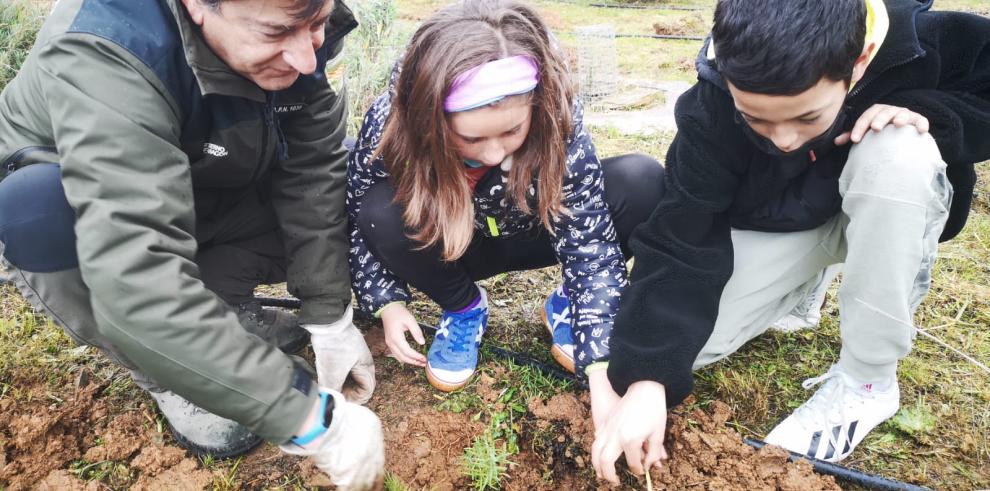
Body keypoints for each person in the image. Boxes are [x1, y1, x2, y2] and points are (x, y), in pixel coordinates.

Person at [591, 0, 990, 483]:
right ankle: (802, 289)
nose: (783, 139)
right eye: (757, 119)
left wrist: (932, 113)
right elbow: (683, 232)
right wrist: (647, 378)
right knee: (686, 347)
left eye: (806, 116)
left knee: (899, 149)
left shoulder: (927, 39)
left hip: (889, 204)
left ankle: (867, 381)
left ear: (859, 61)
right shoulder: (712, 102)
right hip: (791, 220)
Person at [0, 0, 384, 487]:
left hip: (203, 178)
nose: (306, 58)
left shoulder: (292, 23)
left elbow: (311, 169)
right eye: (277, 33)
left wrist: (329, 315)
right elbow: (133, 272)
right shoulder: (112, 49)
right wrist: (310, 418)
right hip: (96, 212)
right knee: (34, 211)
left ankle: (217, 319)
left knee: (349, 174)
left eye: (316, 24)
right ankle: (169, 371)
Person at [347, 0, 664, 430]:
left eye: (513, 131)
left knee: (642, 180)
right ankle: (464, 308)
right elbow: (357, 202)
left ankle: (570, 307)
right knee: (377, 211)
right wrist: (386, 301)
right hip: (455, 245)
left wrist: (601, 367)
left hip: (537, 232)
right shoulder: (392, 123)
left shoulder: (556, 117)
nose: (495, 152)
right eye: (471, 137)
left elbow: (589, 242)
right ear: (429, 119)